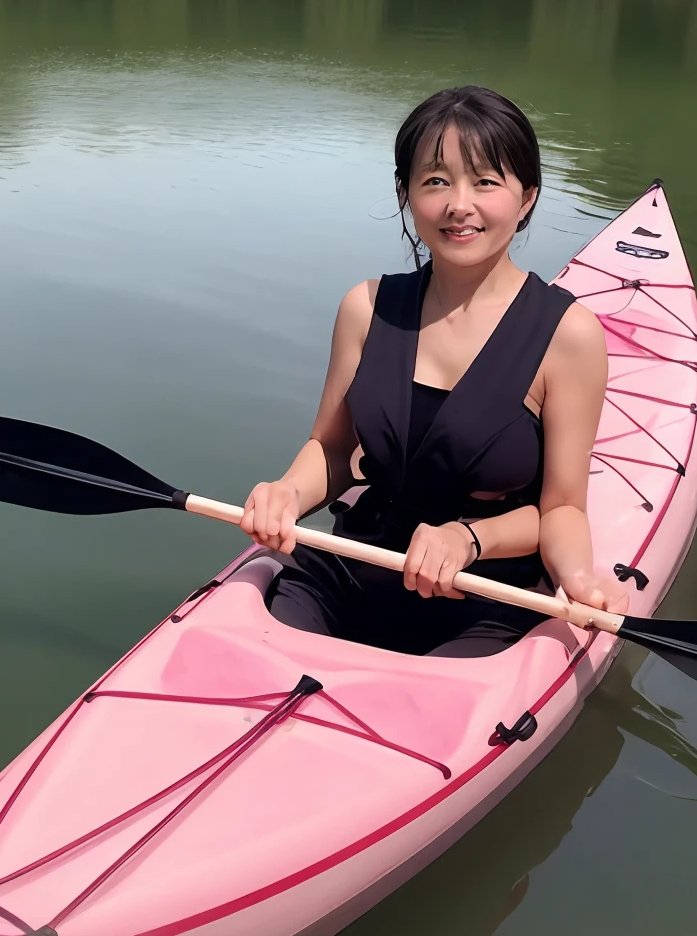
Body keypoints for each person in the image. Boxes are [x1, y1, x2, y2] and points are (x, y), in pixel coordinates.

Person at [240, 85, 629, 657]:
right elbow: (330, 449)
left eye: (486, 181)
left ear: (526, 198)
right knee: (254, 665)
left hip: (485, 595)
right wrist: (287, 495)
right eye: (436, 181)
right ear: (406, 193)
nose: (459, 205)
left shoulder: (567, 336)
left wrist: (565, 573)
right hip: (353, 567)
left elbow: (562, 507)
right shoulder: (366, 309)